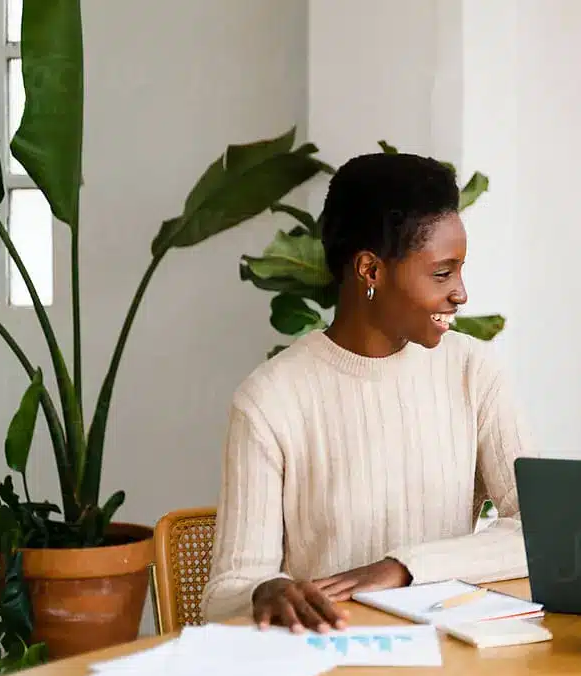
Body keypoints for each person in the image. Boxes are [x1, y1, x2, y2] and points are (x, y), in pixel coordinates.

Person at [201, 152, 532, 632]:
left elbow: (535, 531)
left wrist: (402, 569)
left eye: (460, 270)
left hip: (450, 665)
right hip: (326, 671)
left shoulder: (472, 371)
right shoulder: (270, 399)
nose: (461, 293)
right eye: (442, 273)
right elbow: (224, 596)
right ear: (370, 271)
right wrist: (265, 590)